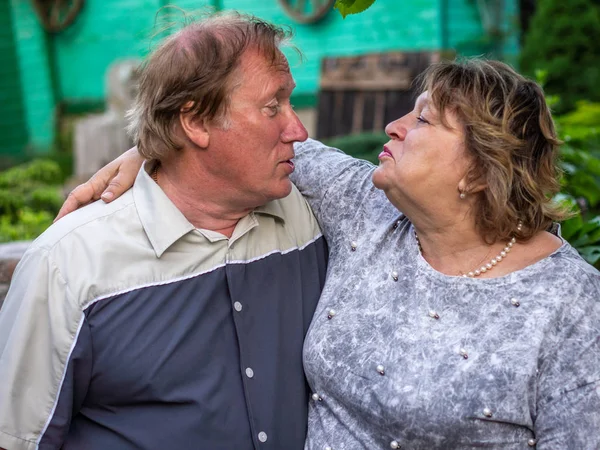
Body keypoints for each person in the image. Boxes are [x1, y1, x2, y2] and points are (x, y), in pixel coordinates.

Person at [61, 57, 600, 448]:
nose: (395, 126)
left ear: (480, 171)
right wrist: (150, 150)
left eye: (424, 120)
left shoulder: (569, 302)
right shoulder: (366, 207)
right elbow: (241, 147)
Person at [0, 12, 328, 450]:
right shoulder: (67, 265)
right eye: (273, 107)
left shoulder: (313, 213)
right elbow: (17, 437)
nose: (299, 131)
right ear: (194, 123)